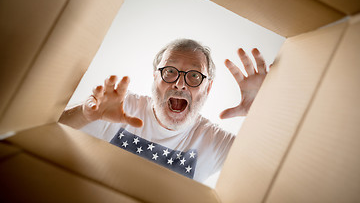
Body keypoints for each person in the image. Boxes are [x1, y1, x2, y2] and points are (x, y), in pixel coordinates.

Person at [59, 39, 268, 183]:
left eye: (194, 75)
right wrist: (84, 114)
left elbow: (273, 171)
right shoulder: (120, 106)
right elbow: (43, 126)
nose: (179, 84)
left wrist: (266, 111)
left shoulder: (215, 142)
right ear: (154, 77)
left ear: (209, 87)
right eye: (170, 71)